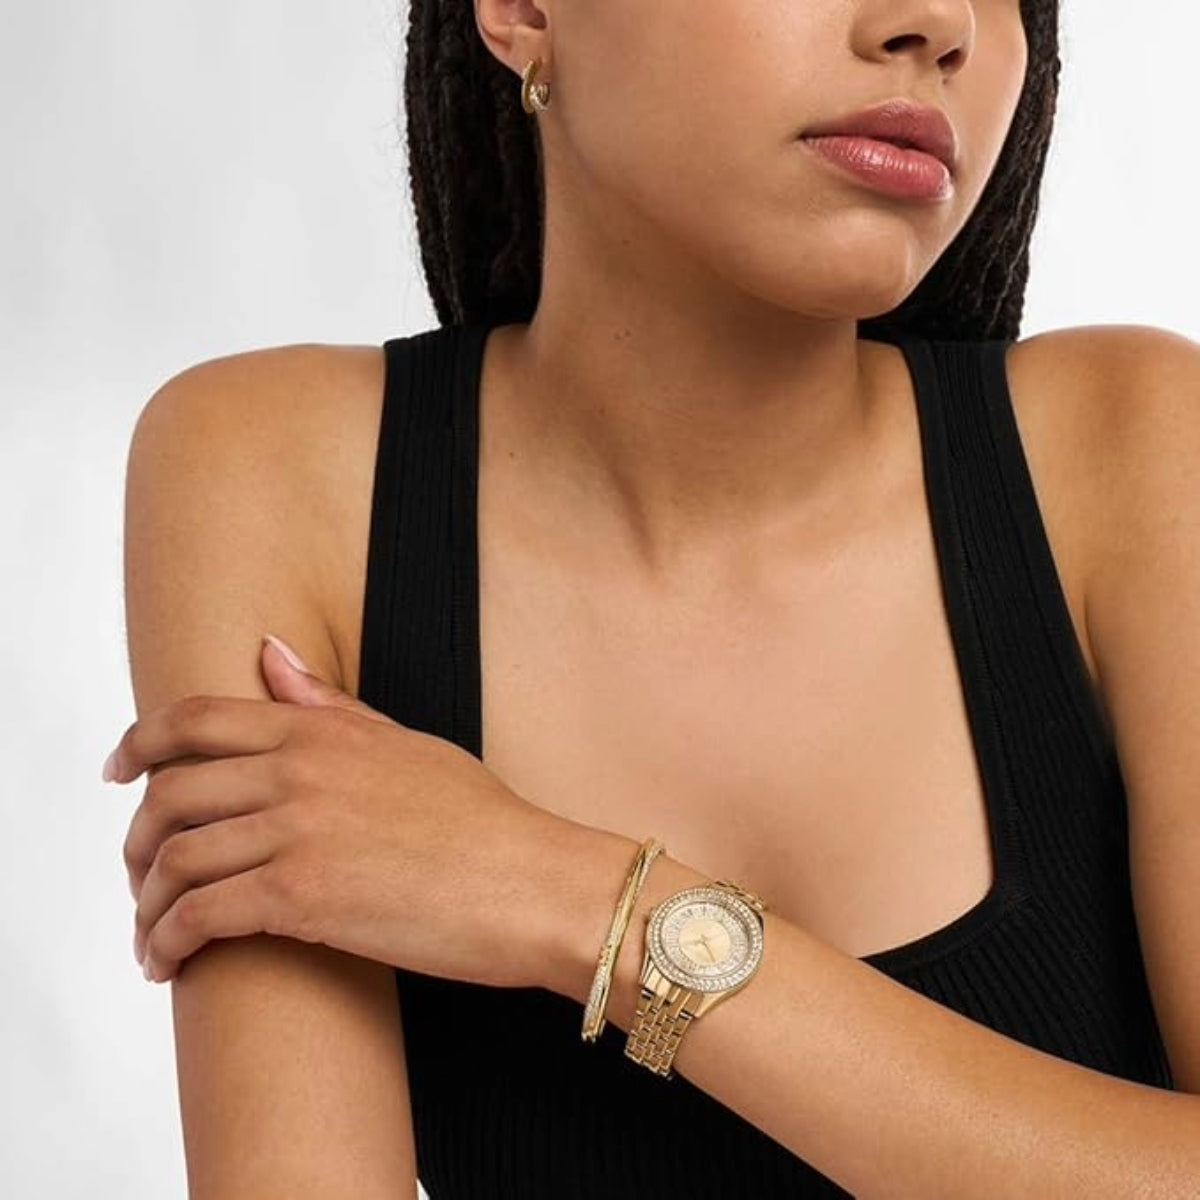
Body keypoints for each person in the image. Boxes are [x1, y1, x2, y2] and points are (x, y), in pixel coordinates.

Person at [108, 0, 1200, 1195]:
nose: (938, 22)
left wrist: (582, 902)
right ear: (526, 12)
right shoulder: (280, 474)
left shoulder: (1135, 448)